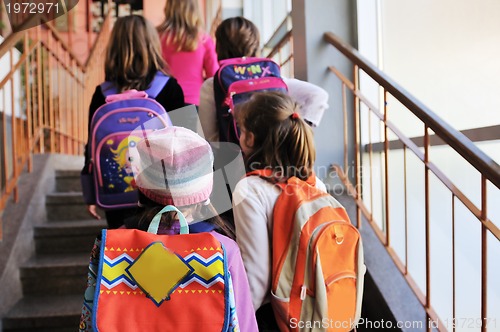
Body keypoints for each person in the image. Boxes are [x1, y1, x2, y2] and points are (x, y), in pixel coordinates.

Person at [79, 126, 258, 331]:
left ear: (142, 187)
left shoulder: (110, 246)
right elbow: (245, 324)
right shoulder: (224, 249)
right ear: (205, 192)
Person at [231, 92, 328, 330]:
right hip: (317, 309)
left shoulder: (250, 189)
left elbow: (257, 278)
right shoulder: (315, 184)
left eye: (241, 131)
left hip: (275, 317)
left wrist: (237, 324)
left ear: (250, 139)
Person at [81, 15, 185, 228]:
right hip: (162, 196)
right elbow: (187, 144)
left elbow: (91, 146)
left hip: (116, 195)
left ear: (114, 48)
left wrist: (90, 193)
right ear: (152, 44)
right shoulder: (170, 88)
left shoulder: (101, 95)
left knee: (122, 252)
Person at [199, 16, 329, 143]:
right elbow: (318, 96)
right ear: (255, 46)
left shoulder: (211, 85)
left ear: (219, 48)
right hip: (276, 157)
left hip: (234, 161)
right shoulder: (271, 77)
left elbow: (209, 136)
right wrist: (297, 134)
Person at [157, 0, 219, 106]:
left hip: (161, 101)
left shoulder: (157, 37)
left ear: (168, 8)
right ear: (195, 10)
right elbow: (214, 75)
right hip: (193, 101)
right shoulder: (203, 39)